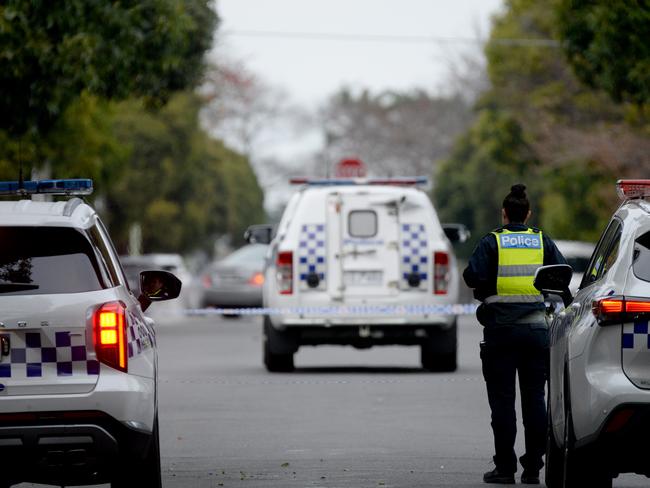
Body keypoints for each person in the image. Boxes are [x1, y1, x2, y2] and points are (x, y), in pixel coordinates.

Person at [463, 184, 566, 485]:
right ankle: (533, 467)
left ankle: (505, 468)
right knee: (536, 399)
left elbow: (471, 276)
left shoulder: (492, 241)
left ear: (505, 213)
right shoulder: (541, 240)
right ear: (529, 213)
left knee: (503, 403)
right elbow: (562, 273)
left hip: (501, 333)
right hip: (536, 331)